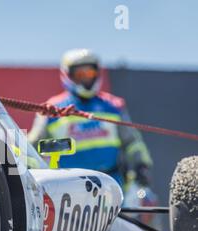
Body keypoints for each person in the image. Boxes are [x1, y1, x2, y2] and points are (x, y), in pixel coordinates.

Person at [28, 49, 152, 188]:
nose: (86, 78)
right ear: (68, 75)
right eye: (80, 74)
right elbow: (32, 147)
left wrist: (141, 166)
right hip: (68, 187)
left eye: (90, 73)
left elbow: (132, 142)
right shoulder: (51, 108)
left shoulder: (114, 105)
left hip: (111, 184)